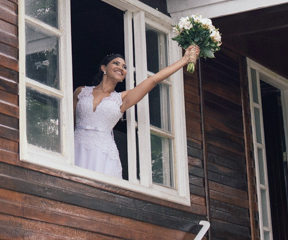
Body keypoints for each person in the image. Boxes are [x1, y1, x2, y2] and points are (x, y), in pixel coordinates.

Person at [73, 46, 199, 178]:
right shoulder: (81, 91)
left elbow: (153, 80)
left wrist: (184, 60)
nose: (121, 68)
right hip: (77, 144)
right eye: (116, 63)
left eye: (124, 67)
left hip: (103, 152)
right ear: (103, 68)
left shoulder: (122, 98)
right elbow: (70, 122)